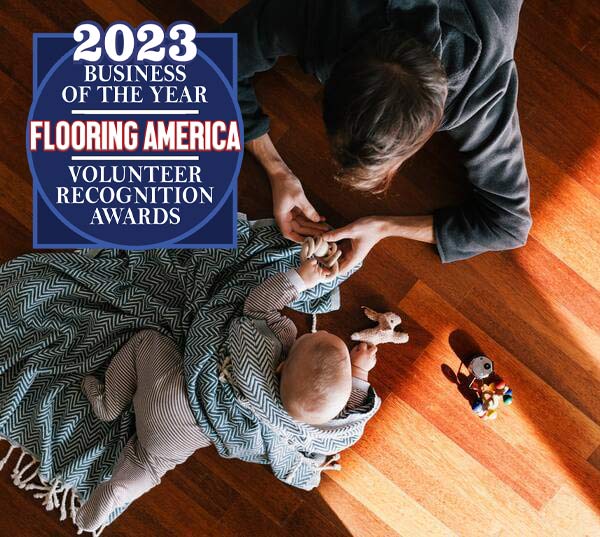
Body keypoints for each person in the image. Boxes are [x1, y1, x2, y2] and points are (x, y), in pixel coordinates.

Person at [75, 258, 380, 532]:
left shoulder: (261, 347)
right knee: (150, 463)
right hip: (188, 434)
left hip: (173, 394)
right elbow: (341, 420)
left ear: (284, 364)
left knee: (148, 341)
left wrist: (301, 278)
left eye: (316, 336)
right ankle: (122, 489)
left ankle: (109, 401)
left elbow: (258, 304)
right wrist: (359, 373)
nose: (314, 332)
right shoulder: (291, 432)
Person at [222, 0, 532, 268]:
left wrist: (383, 226)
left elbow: (508, 224)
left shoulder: (482, 88)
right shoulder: (316, 12)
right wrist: (277, 171)